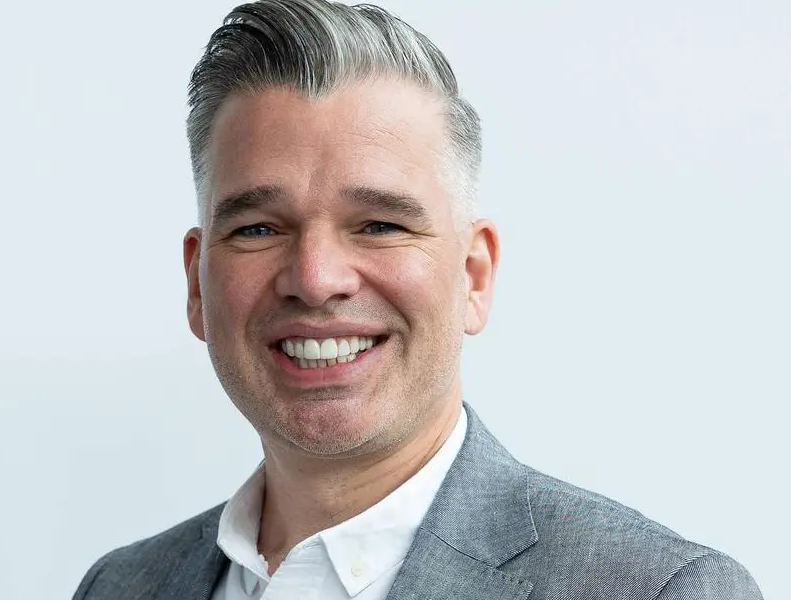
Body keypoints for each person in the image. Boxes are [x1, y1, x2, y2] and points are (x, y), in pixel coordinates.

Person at [72, 1, 763, 598]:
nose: (315, 277)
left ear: (474, 276)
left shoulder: (658, 590)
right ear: (197, 283)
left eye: (379, 225)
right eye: (258, 228)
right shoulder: (120, 586)